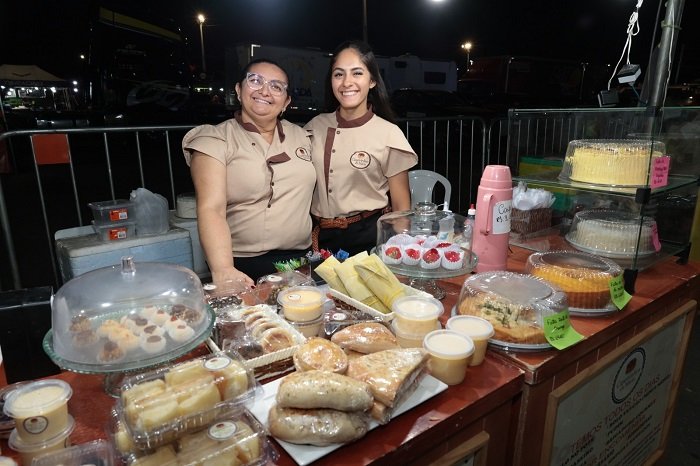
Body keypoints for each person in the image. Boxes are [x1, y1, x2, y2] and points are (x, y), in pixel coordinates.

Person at [182, 59, 315, 286]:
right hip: (240, 264)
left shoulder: (304, 137)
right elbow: (211, 209)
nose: (264, 91)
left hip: (298, 259)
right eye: (255, 80)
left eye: (276, 86)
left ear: (286, 101)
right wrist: (223, 269)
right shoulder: (214, 139)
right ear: (238, 89)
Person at [304, 40, 418, 256]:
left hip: (368, 239)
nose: (347, 82)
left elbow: (401, 208)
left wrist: (400, 251)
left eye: (357, 73)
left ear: (372, 80)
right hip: (318, 238)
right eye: (339, 74)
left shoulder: (389, 133)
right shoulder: (314, 127)